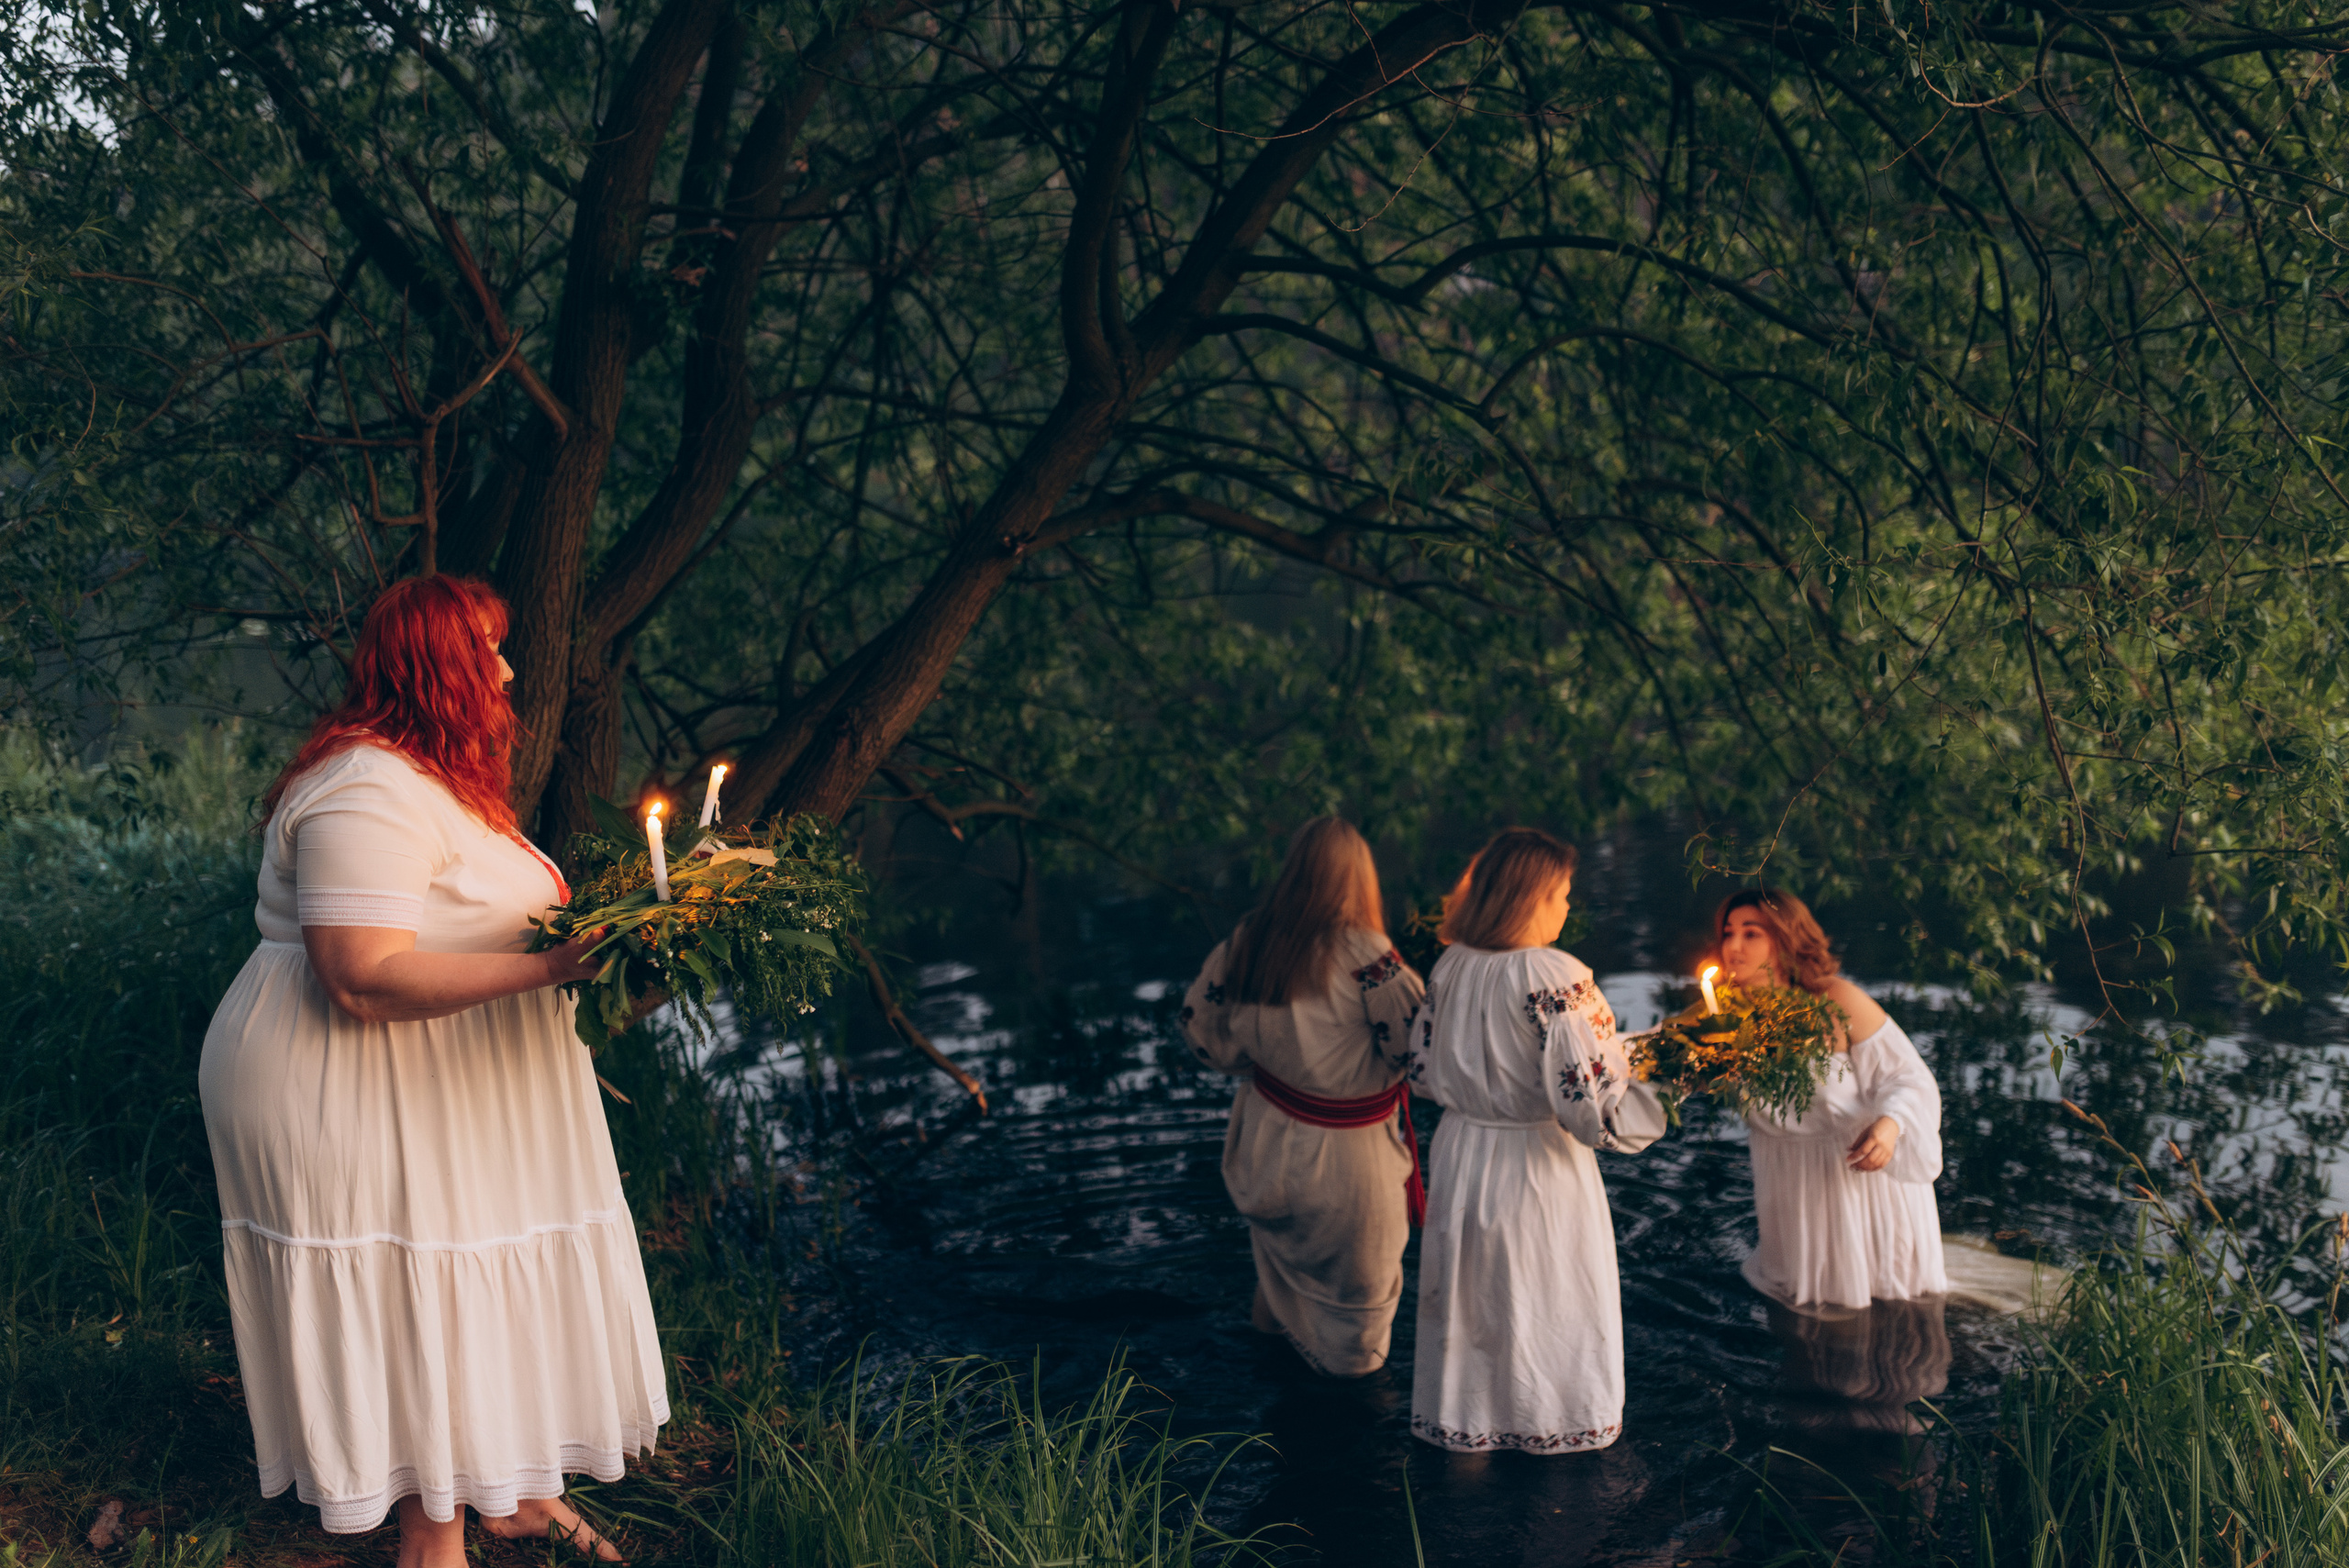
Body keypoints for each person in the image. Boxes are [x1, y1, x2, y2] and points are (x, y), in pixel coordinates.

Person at [198, 575, 666, 1567]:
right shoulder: (366, 786)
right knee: (420, 1273)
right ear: (440, 670)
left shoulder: (436, 780)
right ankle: (433, 1538)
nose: (505, 669)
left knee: (481, 1260)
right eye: (487, 650)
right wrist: (551, 967)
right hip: (340, 1073)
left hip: (438, 1067)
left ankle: (515, 1490)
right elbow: (359, 976)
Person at [1408, 828, 1666, 1453]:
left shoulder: (1452, 964)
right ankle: (1553, 1438)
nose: (1568, 907)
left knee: (1474, 1310)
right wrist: (1667, 1082)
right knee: (1544, 1300)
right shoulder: (1555, 973)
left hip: (1464, 1153)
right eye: (1563, 893)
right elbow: (1590, 1107)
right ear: (1532, 896)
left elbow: (1420, 1069)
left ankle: (1467, 1442)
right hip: (1536, 1165)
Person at [1181, 817, 1426, 1377]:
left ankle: (1271, 1407)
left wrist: (1265, 1063)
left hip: (1265, 1139)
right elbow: (1415, 1048)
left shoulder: (1248, 940)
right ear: (1359, 880)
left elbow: (1202, 1032)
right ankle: (1356, 1448)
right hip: (1344, 1162)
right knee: (1357, 1328)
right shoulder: (1370, 956)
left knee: (1278, 1274)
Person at [1714, 887, 1947, 1310]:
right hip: (1789, 1192)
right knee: (1806, 1332)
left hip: (1861, 1183)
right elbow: (1662, 1061)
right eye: (1729, 933)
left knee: (1894, 1324)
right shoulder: (1724, 1018)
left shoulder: (1834, 1000)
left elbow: (1909, 1076)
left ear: (1784, 938)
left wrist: (1890, 1125)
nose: (1733, 946)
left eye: (1751, 934)